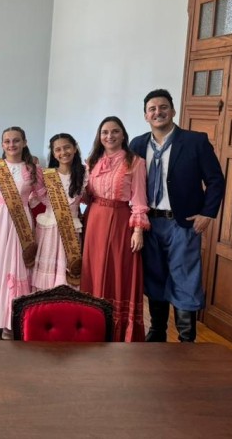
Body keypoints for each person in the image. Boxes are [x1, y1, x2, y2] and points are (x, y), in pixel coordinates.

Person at [131, 88, 225, 342]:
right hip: (150, 223)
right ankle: (157, 332)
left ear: (173, 111)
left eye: (163, 107)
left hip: (182, 224)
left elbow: (216, 180)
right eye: (152, 109)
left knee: (185, 279)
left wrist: (208, 213)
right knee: (155, 278)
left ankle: (186, 340)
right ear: (145, 116)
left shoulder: (195, 141)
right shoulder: (137, 145)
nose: (158, 112)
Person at [0, 127, 45, 340]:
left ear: (24, 142)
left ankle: (9, 320)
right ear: (2, 144)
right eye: (7, 141)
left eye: (16, 140)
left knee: (15, 265)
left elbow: (41, 195)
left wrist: (27, 204)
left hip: (19, 221)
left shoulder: (33, 169)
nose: (11, 145)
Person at [81, 116, 149, 342]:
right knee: (93, 269)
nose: (109, 136)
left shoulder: (135, 162)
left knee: (118, 271)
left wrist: (138, 230)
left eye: (115, 131)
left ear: (123, 135)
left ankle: (118, 330)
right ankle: (91, 323)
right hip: (94, 219)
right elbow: (85, 195)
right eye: (105, 132)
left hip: (121, 221)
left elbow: (139, 198)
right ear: (99, 136)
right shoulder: (92, 161)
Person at [32, 133, 88, 291]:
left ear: (75, 148)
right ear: (53, 153)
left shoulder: (85, 174)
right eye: (58, 149)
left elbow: (90, 198)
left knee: (68, 273)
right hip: (49, 231)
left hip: (71, 231)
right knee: (47, 275)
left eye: (67, 147)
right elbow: (37, 199)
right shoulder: (46, 175)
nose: (63, 152)